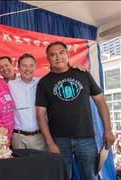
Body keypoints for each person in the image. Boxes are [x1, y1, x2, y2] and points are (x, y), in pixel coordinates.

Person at [35, 41, 115, 179]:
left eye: (61, 52)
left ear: (67, 54)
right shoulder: (44, 83)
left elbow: (101, 102)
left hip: (86, 138)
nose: (58, 57)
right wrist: (50, 143)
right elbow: (40, 116)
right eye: (52, 55)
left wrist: (108, 130)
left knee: (90, 176)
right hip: (59, 140)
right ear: (48, 59)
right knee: (61, 177)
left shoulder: (83, 74)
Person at [8, 53, 46, 150]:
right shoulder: (10, 85)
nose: (28, 69)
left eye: (31, 65)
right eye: (24, 66)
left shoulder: (42, 83)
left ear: (35, 67)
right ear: (18, 68)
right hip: (18, 138)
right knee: (19, 165)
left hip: (39, 137)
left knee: (40, 165)